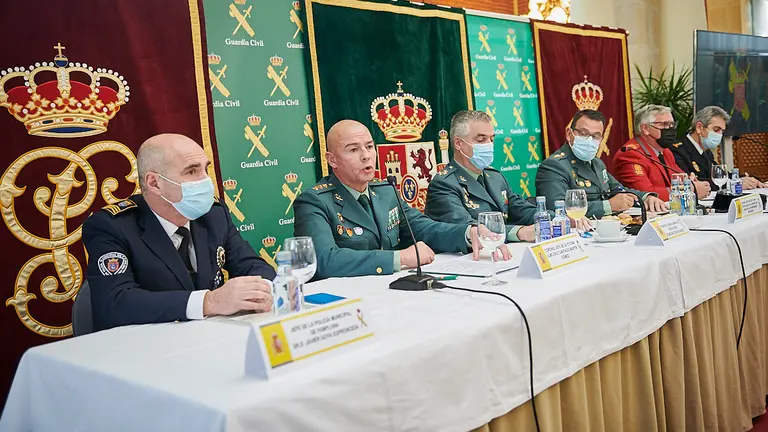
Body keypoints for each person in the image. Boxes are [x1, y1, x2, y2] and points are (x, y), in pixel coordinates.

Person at [82, 134, 275, 331]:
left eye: (205, 169)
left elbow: (253, 266)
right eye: (192, 171)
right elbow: (115, 303)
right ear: (155, 183)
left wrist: (260, 291)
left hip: (210, 339)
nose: (206, 180)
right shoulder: (112, 226)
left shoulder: (214, 215)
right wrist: (208, 302)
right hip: (145, 348)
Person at [293, 120, 511, 280]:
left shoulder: (385, 192)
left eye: (369, 147)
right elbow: (324, 260)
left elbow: (424, 228)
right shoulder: (314, 202)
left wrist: (467, 232)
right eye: (353, 149)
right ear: (332, 160)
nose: (366, 155)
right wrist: (399, 259)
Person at [426, 110, 590, 241]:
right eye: (481, 139)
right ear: (458, 143)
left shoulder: (495, 177)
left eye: (491, 139)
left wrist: (560, 219)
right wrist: (519, 232)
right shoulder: (444, 184)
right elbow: (469, 229)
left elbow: (522, 210)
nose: (489, 145)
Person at [535, 109, 668, 218]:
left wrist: (645, 197)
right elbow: (556, 209)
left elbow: (618, 189)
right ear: (569, 134)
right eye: (584, 133)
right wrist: (608, 206)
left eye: (596, 136)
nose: (589, 140)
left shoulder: (597, 163)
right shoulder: (554, 166)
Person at [613, 105, 710, 201]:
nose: (670, 129)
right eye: (664, 125)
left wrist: (690, 182)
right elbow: (646, 194)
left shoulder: (665, 151)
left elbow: (680, 178)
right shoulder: (630, 154)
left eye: (672, 125)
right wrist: (689, 188)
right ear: (645, 129)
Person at [671, 105, 766, 190]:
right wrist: (732, 183)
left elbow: (720, 175)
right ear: (699, 127)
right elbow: (691, 182)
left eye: (722, 131)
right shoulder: (678, 150)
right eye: (716, 130)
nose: (720, 135)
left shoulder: (706, 152)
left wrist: (748, 179)